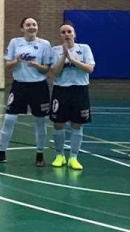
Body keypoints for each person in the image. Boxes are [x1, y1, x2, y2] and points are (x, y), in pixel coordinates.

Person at [0, 17, 53, 166]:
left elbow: (47, 69)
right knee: (9, 119)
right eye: (28, 24)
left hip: (39, 87)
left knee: (40, 122)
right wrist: (16, 61)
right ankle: (1, 152)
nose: (32, 27)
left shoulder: (44, 44)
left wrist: (37, 65)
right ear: (22, 28)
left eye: (34, 24)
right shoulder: (15, 42)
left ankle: (40, 155)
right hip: (19, 86)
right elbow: (7, 65)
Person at [49, 21, 95, 170]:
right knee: (58, 123)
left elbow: (89, 69)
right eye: (63, 32)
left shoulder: (84, 48)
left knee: (77, 123)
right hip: (61, 90)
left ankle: (73, 158)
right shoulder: (55, 50)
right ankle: (59, 155)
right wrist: (64, 56)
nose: (66, 34)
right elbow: (55, 72)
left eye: (69, 32)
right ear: (60, 35)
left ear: (74, 34)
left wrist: (72, 59)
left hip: (79, 90)